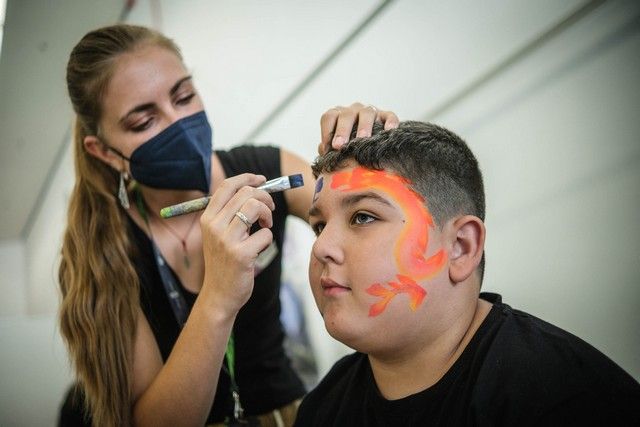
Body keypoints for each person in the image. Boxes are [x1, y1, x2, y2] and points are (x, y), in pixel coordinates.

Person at [57, 23, 399, 427]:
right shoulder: (102, 251)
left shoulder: (266, 169)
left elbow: (387, 210)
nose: (178, 123)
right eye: (143, 122)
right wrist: (218, 294)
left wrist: (370, 146)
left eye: (184, 96)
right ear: (105, 152)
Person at [295, 121, 640, 426]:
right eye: (319, 226)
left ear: (461, 247)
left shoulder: (565, 399)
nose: (322, 247)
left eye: (363, 217)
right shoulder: (323, 408)